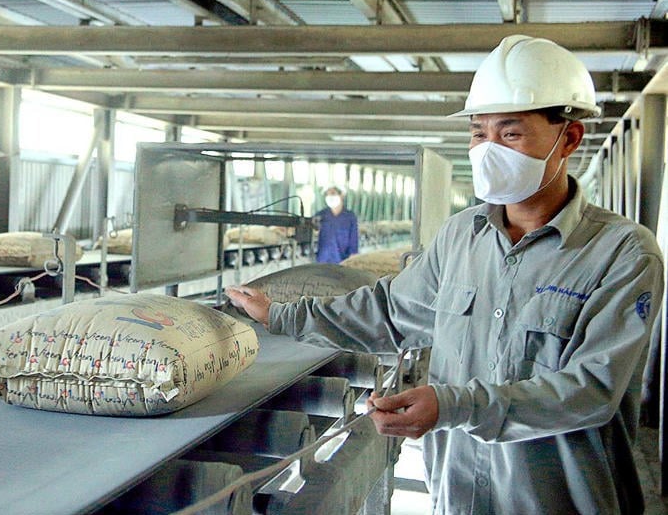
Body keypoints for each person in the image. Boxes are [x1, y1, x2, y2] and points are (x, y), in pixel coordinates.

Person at [226, 35, 664, 514]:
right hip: (458, 496)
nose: (487, 149)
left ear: (570, 139)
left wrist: (454, 406)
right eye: (478, 133)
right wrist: (284, 315)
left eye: (510, 133)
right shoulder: (461, 236)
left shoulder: (622, 253)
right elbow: (390, 313)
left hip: (558, 500)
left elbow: (591, 392)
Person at [315, 186, 360, 263]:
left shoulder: (350, 217)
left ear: (341, 195)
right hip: (323, 261)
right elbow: (311, 229)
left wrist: (352, 258)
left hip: (343, 261)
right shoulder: (321, 215)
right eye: (327, 195)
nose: (330, 197)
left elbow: (354, 240)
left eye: (333, 193)